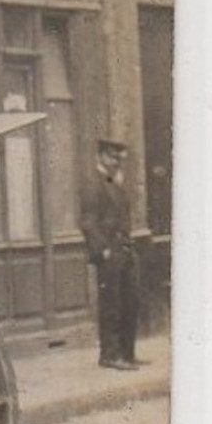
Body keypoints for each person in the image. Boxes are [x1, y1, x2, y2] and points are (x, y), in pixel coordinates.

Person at [80, 137, 144, 370]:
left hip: (125, 250)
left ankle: (127, 354)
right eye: (110, 157)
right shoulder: (93, 184)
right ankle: (109, 355)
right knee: (111, 304)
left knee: (130, 302)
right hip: (109, 253)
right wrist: (102, 249)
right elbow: (87, 222)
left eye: (118, 158)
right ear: (100, 157)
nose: (115, 162)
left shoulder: (115, 183)